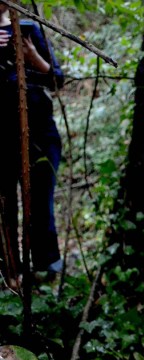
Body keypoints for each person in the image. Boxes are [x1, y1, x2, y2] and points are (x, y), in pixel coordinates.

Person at [0, 4, 64, 284]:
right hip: (1, 136)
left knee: (40, 203)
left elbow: (57, 79)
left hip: (39, 132)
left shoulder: (29, 30)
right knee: (4, 206)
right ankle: (9, 273)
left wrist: (33, 56)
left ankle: (45, 270)